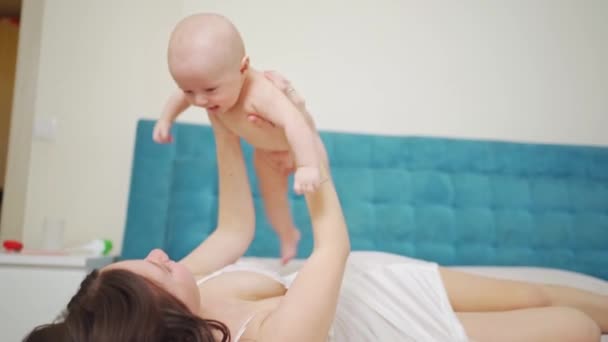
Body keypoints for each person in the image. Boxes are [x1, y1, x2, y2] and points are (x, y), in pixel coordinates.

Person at [26, 74, 606, 342]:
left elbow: (233, 229)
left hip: (368, 280)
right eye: (154, 268)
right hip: (394, 326)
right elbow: (332, 244)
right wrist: (297, 138)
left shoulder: (189, 288)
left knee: (532, 290)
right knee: (577, 327)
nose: (158, 253)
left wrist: (224, 122)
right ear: (165, 322)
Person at [152, 13, 327, 264]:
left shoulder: (261, 92)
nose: (199, 101)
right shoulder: (203, 88)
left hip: (303, 148)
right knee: (274, 203)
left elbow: (295, 123)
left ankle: (325, 250)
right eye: (189, 90)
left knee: (319, 200)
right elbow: (179, 98)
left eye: (211, 90)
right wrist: (166, 119)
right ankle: (288, 235)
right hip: (267, 155)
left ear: (243, 67)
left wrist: (307, 165)